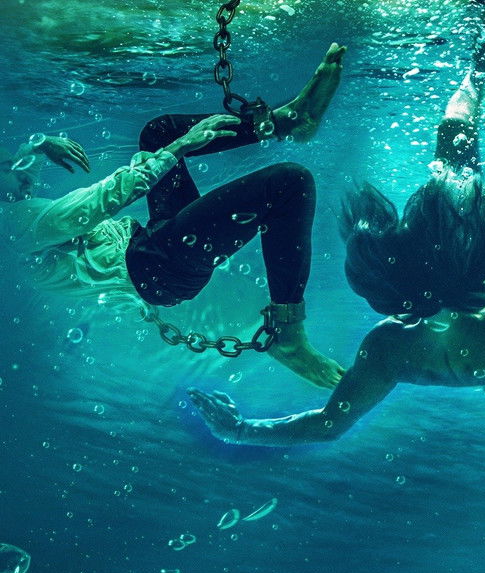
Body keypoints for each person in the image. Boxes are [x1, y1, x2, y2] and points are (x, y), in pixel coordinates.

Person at [189, 2, 485, 446]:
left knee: (454, 130)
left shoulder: (388, 345)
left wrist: (240, 430)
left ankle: (479, 72)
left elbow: (329, 424)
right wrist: (240, 430)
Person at [0, 44, 347, 389]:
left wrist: (36, 146)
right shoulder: (12, 224)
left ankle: (286, 121)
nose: (18, 168)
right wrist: (182, 147)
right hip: (157, 265)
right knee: (289, 182)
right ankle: (288, 333)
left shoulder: (13, 219)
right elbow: (98, 202)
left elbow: (21, 184)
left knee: (158, 132)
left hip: (152, 251)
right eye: (6, 167)